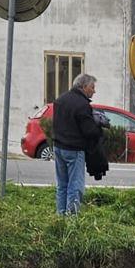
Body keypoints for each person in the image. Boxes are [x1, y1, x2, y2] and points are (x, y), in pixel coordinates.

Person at [52, 74, 103, 215]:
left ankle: (60, 215)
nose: (94, 91)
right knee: (75, 185)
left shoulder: (60, 100)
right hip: (74, 149)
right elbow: (89, 131)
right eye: (92, 87)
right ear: (84, 86)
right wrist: (98, 125)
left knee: (62, 185)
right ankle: (72, 218)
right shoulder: (82, 104)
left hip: (58, 147)